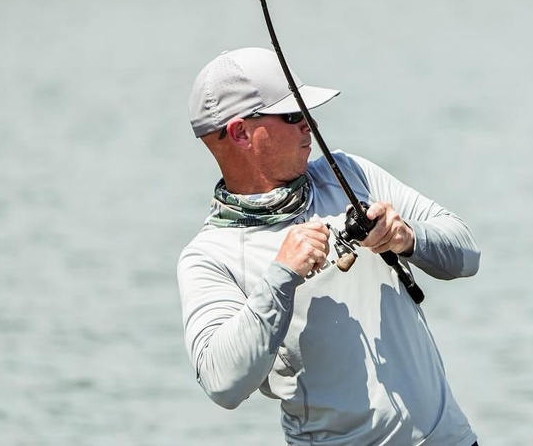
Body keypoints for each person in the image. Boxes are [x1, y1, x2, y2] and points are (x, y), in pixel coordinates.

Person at [177, 47, 482, 446]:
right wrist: (281, 277)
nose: (310, 124)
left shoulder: (351, 174)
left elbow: (467, 254)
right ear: (240, 133)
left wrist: (408, 238)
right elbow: (223, 384)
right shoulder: (208, 256)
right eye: (293, 115)